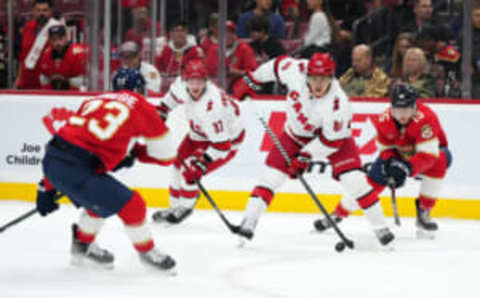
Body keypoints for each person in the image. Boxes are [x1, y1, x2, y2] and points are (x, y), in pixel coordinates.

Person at [232, 53, 394, 247]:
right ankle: (248, 222)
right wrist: (252, 79)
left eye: (323, 79)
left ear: (331, 77)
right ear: (307, 75)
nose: (318, 84)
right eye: (314, 78)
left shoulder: (338, 104)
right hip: (295, 135)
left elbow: (330, 141)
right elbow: (276, 65)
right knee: (270, 177)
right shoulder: (296, 71)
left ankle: (381, 228)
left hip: (334, 140)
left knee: (355, 182)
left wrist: (305, 156)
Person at [35, 68, 177, 272]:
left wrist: (45, 186)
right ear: (141, 89)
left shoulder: (94, 100)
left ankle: (82, 245)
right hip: (79, 170)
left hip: (52, 161)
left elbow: (71, 142)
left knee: (100, 200)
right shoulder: (142, 105)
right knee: (133, 205)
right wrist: (136, 153)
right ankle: (147, 253)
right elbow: (166, 157)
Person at [151, 59, 245, 224]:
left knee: (190, 171)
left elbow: (222, 146)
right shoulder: (181, 85)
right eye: (191, 81)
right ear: (185, 80)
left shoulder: (212, 107)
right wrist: (162, 113)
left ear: (206, 81)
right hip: (198, 133)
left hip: (226, 141)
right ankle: (174, 208)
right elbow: (168, 101)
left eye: (199, 81)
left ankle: (185, 208)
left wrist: (202, 163)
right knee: (176, 166)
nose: (195, 86)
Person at [365, 83, 452, 238]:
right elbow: (385, 149)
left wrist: (406, 168)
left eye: (406, 109)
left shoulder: (427, 117)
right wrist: (390, 162)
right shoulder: (383, 120)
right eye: (398, 110)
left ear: (415, 107)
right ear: (391, 108)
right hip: (398, 155)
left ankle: (424, 211)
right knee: (369, 183)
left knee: (443, 158)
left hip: (424, 158)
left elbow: (429, 154)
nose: (402, 114)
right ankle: (338, 213)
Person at [14, 0, 62, 89]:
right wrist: (18, 78)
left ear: (51, 11)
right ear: (34, 11)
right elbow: (22, 56)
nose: (41, 14)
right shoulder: (28, 27)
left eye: (44, 10)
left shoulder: (57, 28)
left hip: (47, 83)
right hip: (26, 81)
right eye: (38, 10)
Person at [205, 21, 257, 91]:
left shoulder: (244, 48)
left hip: (238, 82)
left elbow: (253, 73)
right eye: (224, 33)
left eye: (231, 33)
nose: (228, 36)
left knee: (249, 82)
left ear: (235, 34)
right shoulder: (213, 49)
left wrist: (235, 72)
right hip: (218, 84)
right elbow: (207, 71)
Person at [38, 25, 87, 91]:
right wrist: (51, 79)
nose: (57, 43)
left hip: (75, 95)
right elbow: (43, 80)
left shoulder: (80, 52)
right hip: (54, 96)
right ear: (49, 41)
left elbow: (85, 81)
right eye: (54, 39)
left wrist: (68, 81)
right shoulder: (46, 54)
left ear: (66, 37)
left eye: (60, 38)